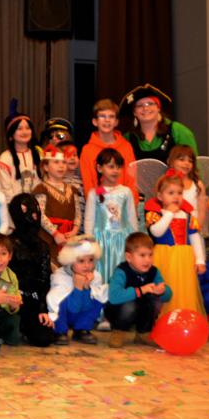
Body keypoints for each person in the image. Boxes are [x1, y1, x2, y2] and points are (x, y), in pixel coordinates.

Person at [145, 172, 205, 314]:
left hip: (184, 258)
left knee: (184, 288)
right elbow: (156, 232)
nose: (176, 197)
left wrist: (200, 260)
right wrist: (169, 214)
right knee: (166, 285)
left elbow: (195, 237)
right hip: (164, 257)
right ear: (160, 196)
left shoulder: (188, 216)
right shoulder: (157, 214)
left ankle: (184, 316)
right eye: (171, 193)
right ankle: (165, 317)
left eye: (179, 193)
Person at [7, 194, 57, 347]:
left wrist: (42, 309)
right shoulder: (8, 243)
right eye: (25, 212)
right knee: (12, 334)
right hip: (12, 300)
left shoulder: (43, 246)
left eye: (35, 213)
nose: (32, 217)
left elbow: (44, 280)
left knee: (45, 338)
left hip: (33, 300)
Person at [106, 232, 172, 348]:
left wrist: (162, 291)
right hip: (118, 311)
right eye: (142, 255)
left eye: (150, 255)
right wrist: (141, 290)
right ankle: (118, 331)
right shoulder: (121, 271)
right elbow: (114, 297)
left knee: (155, 301)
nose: (147, 260)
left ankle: (143, 333)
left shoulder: (154, 271)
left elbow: (168, 295)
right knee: (129, 305)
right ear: (129, 257)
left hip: (142, 310)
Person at [84, 148, 138, 287]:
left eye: (119, 167)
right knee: (101, 275)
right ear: (99, 168)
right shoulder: (94, 193)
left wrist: (135, 241)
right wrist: (90, 242)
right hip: (101, 242)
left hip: (122, 241)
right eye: (111, 166)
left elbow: (132, 218)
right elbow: (89, 220)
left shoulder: (126, 192)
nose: (115, 171)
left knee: (122, 274)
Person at [46, 239, 107, 346]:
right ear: (70, 262)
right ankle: (60, 331)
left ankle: (82, 329)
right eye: (81, 261)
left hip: (81, 312)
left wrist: (86, 288)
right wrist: (78, 288)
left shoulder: (95, 276)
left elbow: (87, 306)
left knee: (100, 296)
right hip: (66, 314)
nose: (87, 265)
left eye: (90, 260)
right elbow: (73, 308)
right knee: (58, 299)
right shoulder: (60, 276)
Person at [119, 84, 198, 163]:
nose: (145, 108)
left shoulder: (177, 131)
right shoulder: (127, 138)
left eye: (150, 103)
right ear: (134, 112)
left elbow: (193, 164)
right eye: (140, 105)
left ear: (158, 108)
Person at [80, 99, 138, 199]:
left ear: (116, 122)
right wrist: (98, 203)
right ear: (95, 121)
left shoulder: (126, 147)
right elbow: (88, 183)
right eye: (102, 116)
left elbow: (132, 181)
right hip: (98, 204)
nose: (107, 120)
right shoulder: (87, 150)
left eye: (111, 116)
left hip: (124, 203)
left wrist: (130, 203)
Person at [33, 146, 81, 248]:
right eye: (56, 162)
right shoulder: (41, 189)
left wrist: (74, 231)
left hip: (69, 237)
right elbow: (40, 215)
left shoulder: (72, 189)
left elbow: (78, 214)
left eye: (64, 162)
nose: (61, 166)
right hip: (49, 238)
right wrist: (55, 234)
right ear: (46, 167)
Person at [0, 108, 41, 202]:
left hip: (37, 206)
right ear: (11, 134)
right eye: (19, 129)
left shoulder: (39, 155)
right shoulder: (5, 158)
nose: (25, 132)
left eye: (28, 128)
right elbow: (5, 190)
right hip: (13, 207)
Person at [166, 145, 207, 231]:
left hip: (193, 228)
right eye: (182, 159)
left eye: (190, 161)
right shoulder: (166, 184)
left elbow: (202, 211)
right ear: (171, 162)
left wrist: (197, 228)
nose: (186, 163)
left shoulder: (198, 185)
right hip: (172, 229)